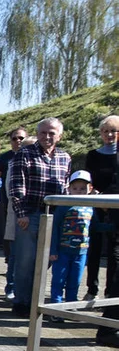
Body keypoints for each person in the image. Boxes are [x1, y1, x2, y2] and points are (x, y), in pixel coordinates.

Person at [9, 117, 71, 317]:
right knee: (26, 261)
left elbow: (66, 187)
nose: (47, 136)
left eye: (52, 133)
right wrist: (21, 213)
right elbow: (17, 186)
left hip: (55, 216)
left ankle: (36, 300)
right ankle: (21, 302)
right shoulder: (25, 154)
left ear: (59, 136)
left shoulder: (65, 157)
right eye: (43, 132)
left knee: (46, 261)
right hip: (31, 213)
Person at [84, 115, 119, 300]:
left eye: (113, 131)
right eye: (105, 131)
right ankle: (91, 289)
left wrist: (108, 199)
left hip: (116, 206)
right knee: (94, 249)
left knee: (114, 252)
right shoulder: (93, 154)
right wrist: (97, 197)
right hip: (96, 206)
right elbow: (89, 179)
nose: (109, 134)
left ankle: (110, 292)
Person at [0, 127, 27, 300]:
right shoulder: (5, 159)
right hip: (10, 208)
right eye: (15, 138)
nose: (18, 141)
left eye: (21, 138)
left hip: (31, 210)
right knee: (12, 249)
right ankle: (11, 286)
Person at [49, 171, 94, 305]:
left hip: (81, 252)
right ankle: (56, 307)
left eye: (82, 188)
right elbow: (54, 228)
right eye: (75, 188)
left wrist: (110, 226)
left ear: (90, 189)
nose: (79, 191)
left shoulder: (92, 206)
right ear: (69, 189)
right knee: (59, 280)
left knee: (75, 281)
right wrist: (53, 250)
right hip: (63, 251)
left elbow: (95, 225)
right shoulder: (63, 206)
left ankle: (71, 304)